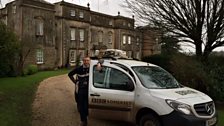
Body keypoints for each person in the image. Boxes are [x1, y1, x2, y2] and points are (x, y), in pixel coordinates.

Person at [68, 56, 91, 126]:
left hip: (89, 90)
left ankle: (85, 116)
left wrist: (99, 63)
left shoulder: (91, 68)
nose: (86, 62)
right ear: (83, 61)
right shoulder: (79, 69)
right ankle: (83, 121)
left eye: (88, 60)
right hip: (80, 89)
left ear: (89, 61)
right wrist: (75, 82)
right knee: (81, 106)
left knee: (86, 106)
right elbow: (70, 74)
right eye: (85, 61)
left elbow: (100, 68)